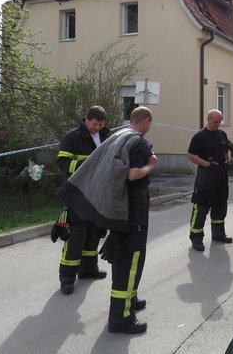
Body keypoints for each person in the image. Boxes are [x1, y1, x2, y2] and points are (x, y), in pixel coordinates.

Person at [58, 106, 157, 334]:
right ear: (147, 121)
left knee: (125, 261)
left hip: (117, 209)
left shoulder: (117, 136)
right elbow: (132, 174)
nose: (97, 127)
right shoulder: (137, 142)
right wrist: (152, 164)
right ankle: (121, 318)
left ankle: (128, 302)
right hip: (132, 213)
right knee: (130, 263)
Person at [53, 105, 110, 295]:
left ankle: (88, 270)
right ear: (86, 119)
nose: (97, 129)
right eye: (94, 124)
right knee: (76, 236)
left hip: (97, 193)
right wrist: (88, 166)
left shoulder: (105, 135)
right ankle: (67, 278)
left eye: (100, 125)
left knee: (93, 233)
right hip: (78, 193)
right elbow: (63, 163)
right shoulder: (72, 137)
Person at [187, 109, 233, 252]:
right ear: (208, 120)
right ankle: (196, 238)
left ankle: (218, 234)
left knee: (220, 207)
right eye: (215, 122)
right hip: (206, 177)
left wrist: (228, 155)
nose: (218, 124)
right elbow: (191, 155)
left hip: (221, 177)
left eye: (220, 122)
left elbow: (228, 148)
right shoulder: (199, 136)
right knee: (201, 209)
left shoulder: (222, 134)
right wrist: (206, 163)